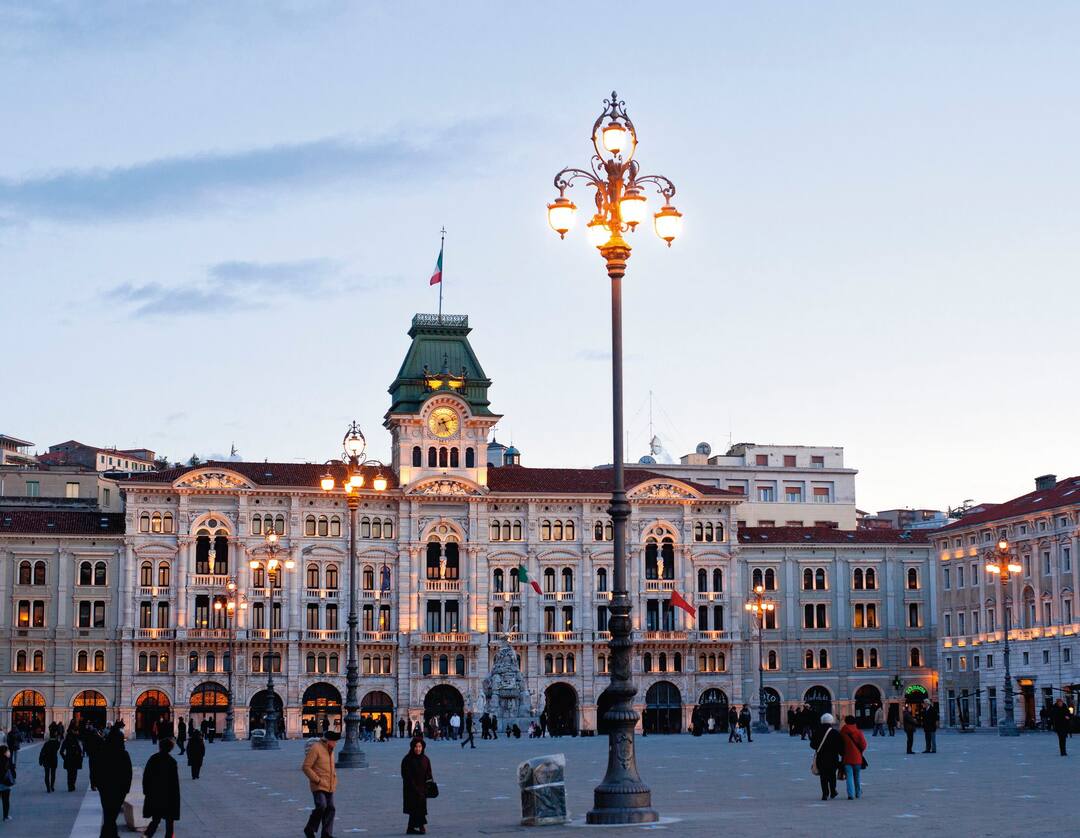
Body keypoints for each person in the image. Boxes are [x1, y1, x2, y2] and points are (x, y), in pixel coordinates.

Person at [301, 730, 339, 838]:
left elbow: (331, 767)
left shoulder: (331, 750)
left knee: (331, 808)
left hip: (330, 784)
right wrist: (317, 780)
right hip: (318, 784)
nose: (336, 744)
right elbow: (306, 767)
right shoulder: (316, 748)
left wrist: (335, 778)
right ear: (329, 741)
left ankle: (326, 834)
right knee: (322, 806)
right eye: (335, 741)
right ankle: (309, 828)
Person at [97, 726, 132, 838]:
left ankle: (109, 835)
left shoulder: (103, 752)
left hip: (105, 788)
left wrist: (98, 784)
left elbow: (97, 769)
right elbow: (128, 773)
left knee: (109, 814)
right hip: (119, 789)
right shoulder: (123, 754)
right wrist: (126, 788)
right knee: (112, 815)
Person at [143, 738, 180, 838]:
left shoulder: (153, 759)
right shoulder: (172, 762)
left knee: (155, 820)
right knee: (169, 822)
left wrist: (146, 792)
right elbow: (174, 784)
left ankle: (146, 836)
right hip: (168, 797)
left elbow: (146, 777)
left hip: (155, 795)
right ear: (171, 749)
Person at [401, 737, 433, 835]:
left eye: (420, 747)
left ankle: (411, 827)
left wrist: (429, 784)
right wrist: (414, 786)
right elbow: (406, 775)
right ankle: (420, 826)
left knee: (419, 807)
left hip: (423, 788)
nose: (418, 749)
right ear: (412, 747)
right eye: (416, 747)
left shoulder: (425, 759)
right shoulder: (407, 759)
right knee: (415, 807)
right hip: (411, 788)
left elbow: (429, 773)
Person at [809, 714, 842, 801]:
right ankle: (833, 791)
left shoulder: (817, 731)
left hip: (821, 757)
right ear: (831, 721)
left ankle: (825, 794)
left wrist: (818, 748)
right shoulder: (835, 732)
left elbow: (812, 745)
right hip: (833, 758)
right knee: (832, 775)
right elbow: (840, 746)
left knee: (823, 776)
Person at [839, 715, 867, 800]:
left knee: (849, 777)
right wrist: (860, 751)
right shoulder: (859, 732)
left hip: (847, 758)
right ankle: (858, 793)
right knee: (857, 776)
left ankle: (850, 794)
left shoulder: (842, 732)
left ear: (846, 722)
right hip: (857, 758)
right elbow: (864, 745)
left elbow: (840, 745)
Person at [0, 745, 13, 822]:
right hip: (5, 783)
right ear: (4, 752)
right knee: (5, 800)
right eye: (7, 751)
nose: (9, 752)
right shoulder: (6, 760)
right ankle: (5, 816)